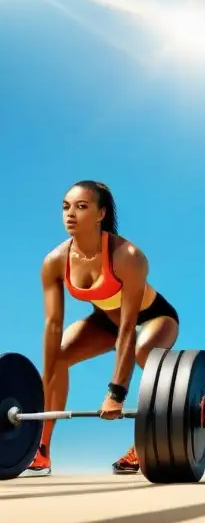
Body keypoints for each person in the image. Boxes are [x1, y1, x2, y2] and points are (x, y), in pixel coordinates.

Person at [25, 180, 180, 477]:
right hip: (105, 322)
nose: (70, 214)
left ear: (100, 214)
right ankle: (41, 449)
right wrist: (42, 387)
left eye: (81, 207)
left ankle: (144, 445)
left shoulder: (127, 257)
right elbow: (53, 324)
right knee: (57, 359)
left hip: (152, 319)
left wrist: (116, 393)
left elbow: (128, 326)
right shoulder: (55, 261)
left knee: (144, 350)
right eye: (66, 207)